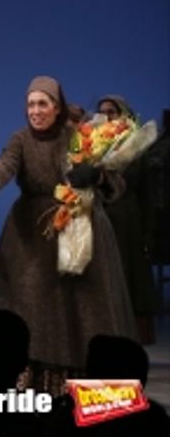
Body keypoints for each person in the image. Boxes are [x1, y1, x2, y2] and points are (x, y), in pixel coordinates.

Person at [0, 76, 137, 391]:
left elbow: (116, 182)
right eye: (30, 104)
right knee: (32, 307)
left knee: (83, 310)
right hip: (31, 237)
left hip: (78, 230)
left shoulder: (78, 136)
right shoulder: (20, 140)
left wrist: (97, 175)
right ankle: (32, 384)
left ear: (57, 107)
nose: (35, 110)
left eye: (42, 104)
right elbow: (5, 166)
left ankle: (88, 386)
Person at [93, 95, 159, 344]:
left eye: (112, 111)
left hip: (128, 223)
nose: (107, 117)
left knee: (129, 283)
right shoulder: (92, 146)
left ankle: (128, 344)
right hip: (101, 219)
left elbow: (147, 195)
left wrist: (148, 233)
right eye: (102, 112)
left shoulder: (136, 148)